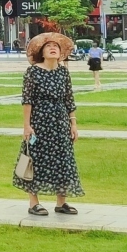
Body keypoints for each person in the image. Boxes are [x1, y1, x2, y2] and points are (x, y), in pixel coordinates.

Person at [14, 32, 83, 217]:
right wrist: (27, 126)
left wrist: (73, 124)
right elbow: (27, 100)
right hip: (40, 122)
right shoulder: (33, 72)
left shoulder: (63, 72)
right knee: (35, 160)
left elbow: (69, 98)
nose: (53, 49)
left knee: (63, 160)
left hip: (60, 122)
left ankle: (62, 202)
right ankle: (33, 202)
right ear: (42, 53)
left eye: (56, 47)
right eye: (48, 47)